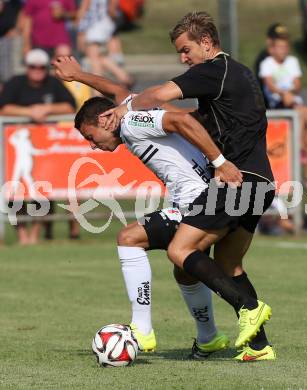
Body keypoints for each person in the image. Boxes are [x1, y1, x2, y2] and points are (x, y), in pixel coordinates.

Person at [52, 49, 275, 361]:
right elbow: (118, 91)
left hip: (199, 199)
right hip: (213, 195)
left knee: (129, 238)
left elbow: (180, 120)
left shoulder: (131, 123)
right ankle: (226, 340)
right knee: (192, 270)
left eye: (92, 137)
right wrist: (79, 75)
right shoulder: (127, 114)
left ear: (105, 119)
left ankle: (143, 328)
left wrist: (220, 162)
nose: (95, 146)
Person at [0, 48, 76, 244]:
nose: (37, 71)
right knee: (14, 192)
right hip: (13, 151)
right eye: (33, 67)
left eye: (42, 67)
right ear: (27, 67)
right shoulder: (15, 83)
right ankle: (22, 235)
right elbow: (4, 106)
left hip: (44, 149)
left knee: (43, 191)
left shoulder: (53, 84)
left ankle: (35, 234)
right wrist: (29, 112)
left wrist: (48, 108)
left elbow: (70, 106)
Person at [259, 34, 307, 185]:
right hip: (278, 105)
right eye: (280, 47)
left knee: (305, 114)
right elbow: (270, 85)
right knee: (306, 114)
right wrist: (284, 93)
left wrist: (289, 92)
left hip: (295, 106)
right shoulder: (267, 64)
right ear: (272, 49)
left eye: (286, 47)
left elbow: (297, 85)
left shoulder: (292, 61)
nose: (284, 50)